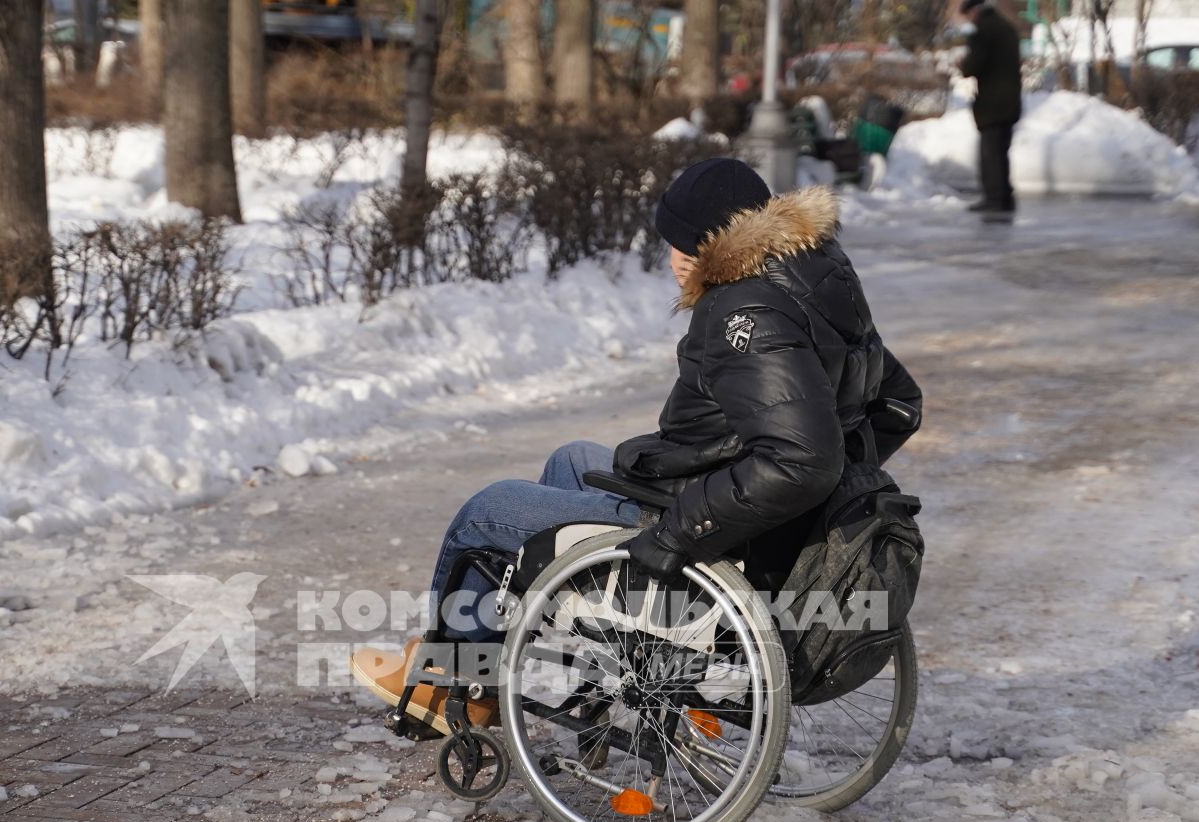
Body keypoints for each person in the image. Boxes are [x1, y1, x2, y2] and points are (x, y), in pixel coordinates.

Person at [349, 157, 922, 735]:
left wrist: (683, 531)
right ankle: (504, 656)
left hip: (714, 530)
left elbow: (802, 461)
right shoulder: (817, 281)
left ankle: (452, 683)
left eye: (677, 245)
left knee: (486, 512)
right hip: (740, 506)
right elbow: (898, 403)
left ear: (710, 243)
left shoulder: (744, 310)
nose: (670, 261)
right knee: (571, 460)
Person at [958, 0, 1022, 223]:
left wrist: (963, 63)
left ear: (974, 11)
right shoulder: (1006, 27)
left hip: (992, 103)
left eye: (968, 16)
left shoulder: (984, 31)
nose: (969, 21)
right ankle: (1005, 198)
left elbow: (972, 66)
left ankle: (994, 199)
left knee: (991, 154)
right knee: (1001, 153)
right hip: (1010, 101)